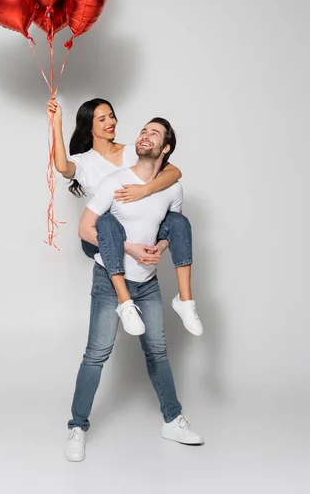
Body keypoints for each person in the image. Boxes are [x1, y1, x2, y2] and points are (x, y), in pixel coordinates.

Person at [64, 117, 204, 462]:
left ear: (165, 148)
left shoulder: (171, 187)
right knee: (96, 355)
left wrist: (160, 248)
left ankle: (172, 420)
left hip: (147, 283)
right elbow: (85, 230)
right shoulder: (114, 182)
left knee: (157, 352)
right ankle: (77, 427)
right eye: (143, 130)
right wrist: (129, 248)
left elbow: (171, 228)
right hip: (110, 283)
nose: (144, 135)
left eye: (153, 133)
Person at [46, 97, 203, 337]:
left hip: (141, 228)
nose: (111, 121)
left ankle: (185, 299)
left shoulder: (133, 151)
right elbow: (61, 166)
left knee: (178, 221)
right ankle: (125, 303)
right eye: (102, 119)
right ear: (90, 126)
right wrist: (56, 123)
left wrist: (144, 190)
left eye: (111, 115)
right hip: (103, 233)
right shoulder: (84, 162)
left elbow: (175, 172)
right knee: (108, 221)